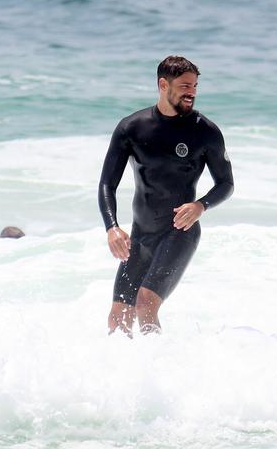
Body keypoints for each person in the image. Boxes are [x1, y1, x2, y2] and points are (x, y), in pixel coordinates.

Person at [98, 55, 234, 336]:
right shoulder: (131, 128)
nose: (192, 92)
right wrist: (112, 227)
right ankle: (123, 374)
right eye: (185, 85)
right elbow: (107, 184)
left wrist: (201, 205)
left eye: (195, 86)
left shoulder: (204, 132)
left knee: (145, 303)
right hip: (142, 234)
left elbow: (226, 183)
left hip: (179, 232)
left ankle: (161, 370)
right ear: (163, 84)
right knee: (118, 315)